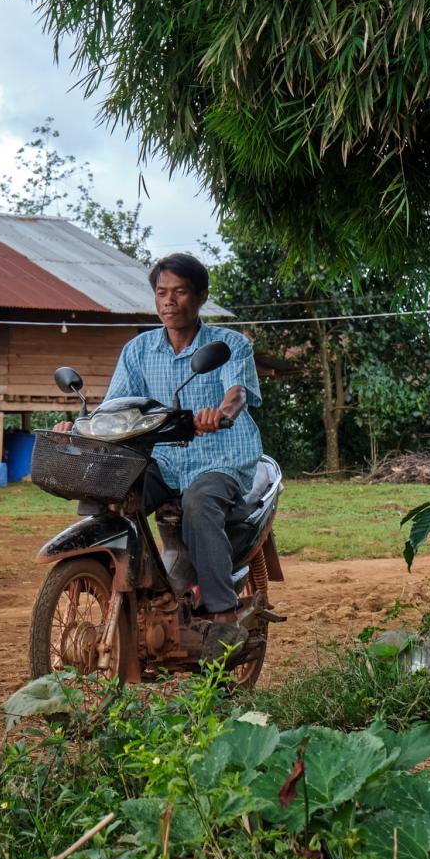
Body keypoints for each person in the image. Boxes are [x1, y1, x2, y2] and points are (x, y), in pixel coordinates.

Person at [104, 252, 264, 662]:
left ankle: (224, 619)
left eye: (179, 292)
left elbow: (237, 393)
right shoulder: (138, 350)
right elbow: (116, 405)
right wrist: (79, 424)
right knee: (113, 493)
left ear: (201, 296)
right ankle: (123, 588)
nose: (169, 301)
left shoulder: (228, 344)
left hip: (220, 456)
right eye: (162, 293)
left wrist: (220, 415)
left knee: (199, 501)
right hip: (164, 457)